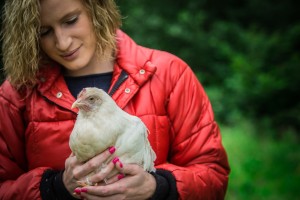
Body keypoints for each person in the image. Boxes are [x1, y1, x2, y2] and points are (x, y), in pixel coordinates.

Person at [0, 0, 230, 199]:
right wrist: (54, 188)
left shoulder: (170, 74)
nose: (62, 42)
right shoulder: (16, 94)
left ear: (96, 8)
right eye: (44, 32)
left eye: (70, 20)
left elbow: (213, 175)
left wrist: (158, 187)